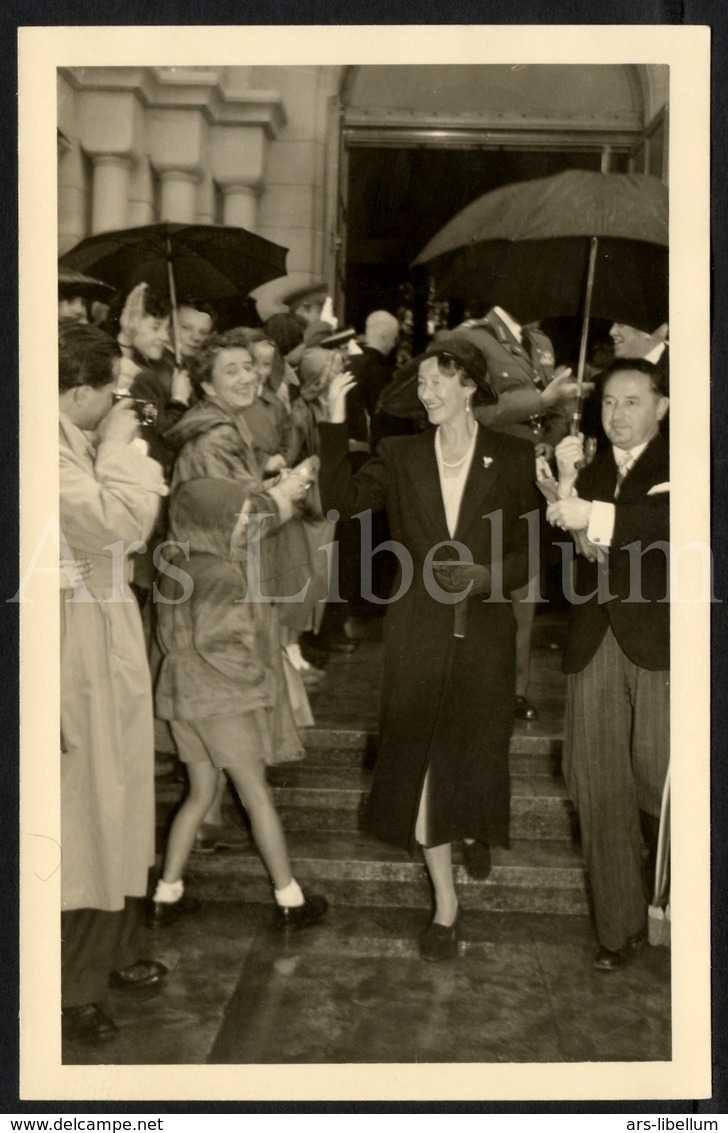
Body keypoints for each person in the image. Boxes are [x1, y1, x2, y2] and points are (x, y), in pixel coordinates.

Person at [318, 336, 536, 961]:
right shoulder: (400, 453)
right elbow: (337, 504)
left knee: (478, 748)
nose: (427, 392)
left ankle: (472, 823)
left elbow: (530, 552)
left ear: (470, 386)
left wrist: (488, 576)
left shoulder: (513, 457)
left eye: (440, 381)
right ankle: (446, 904)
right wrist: (333, 424)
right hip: (417, 629)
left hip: (487, 632)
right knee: (423, 761)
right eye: (421, 384)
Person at [151, 474, 329, 931]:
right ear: (213, 523)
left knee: (200, 793)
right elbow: (220, 644)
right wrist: (263, 680)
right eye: (238, 518)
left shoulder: (174, 563)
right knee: (258, 797)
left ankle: (165, 893)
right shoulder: (221, 574)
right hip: (222, 698)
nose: (244, 525)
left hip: (183, 697)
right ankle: (290, 897)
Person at [58, 324, 169, 1045]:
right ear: (79, 392)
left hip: (97, 629)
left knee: (114, 797)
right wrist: (125, 445)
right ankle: (73, 988)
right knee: (87, 813)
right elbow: (118, 523)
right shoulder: (52, 449)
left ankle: (109, 955)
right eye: (112, 390)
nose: (119, 401)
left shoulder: (72, 442)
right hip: (72, 642)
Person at [546, 358, 670, 971]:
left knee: (664, 780)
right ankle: (617, 929)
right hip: (595, 641)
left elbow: (669, 526)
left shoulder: (685, 462)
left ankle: (675, 910)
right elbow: (578, 560)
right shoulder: (590, 467)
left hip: (663, 645)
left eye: (632, 402)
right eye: (609, 404)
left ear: (662, 407)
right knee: (597, 784)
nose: (617, 416)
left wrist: (592, 513)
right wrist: (566, 484)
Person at [455, 305, 575, 722]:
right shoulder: (472, 339)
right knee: (482, 583)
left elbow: (558, 414)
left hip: (531, 481)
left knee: (525, 588)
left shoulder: (539, 342)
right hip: (487, 479)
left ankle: (514, 689)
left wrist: (549, 440)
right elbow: (473, 409)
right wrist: (540, 399)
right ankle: (470, 686)